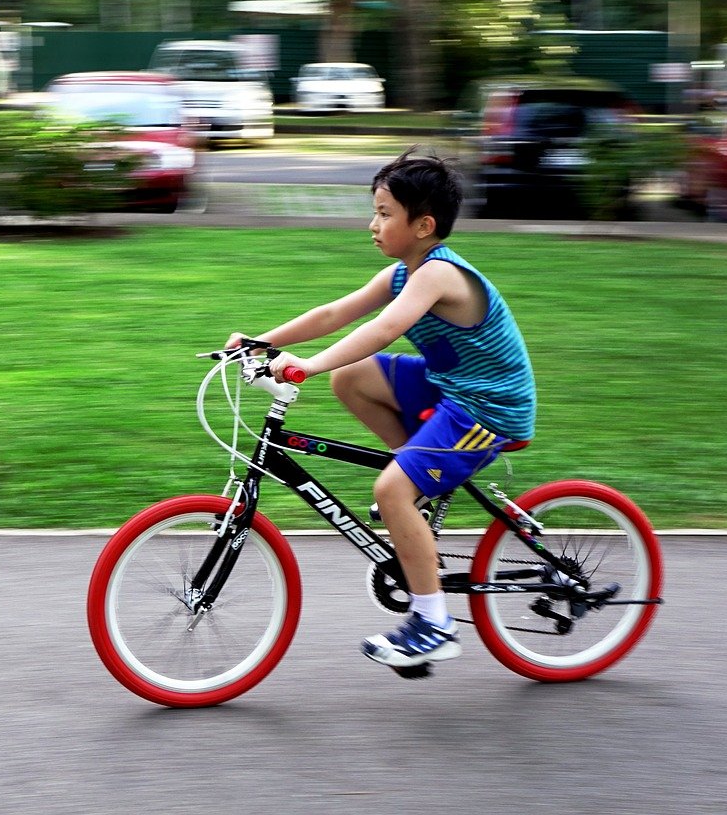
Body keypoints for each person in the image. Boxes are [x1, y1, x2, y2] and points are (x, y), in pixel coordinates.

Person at [226, 147, 535, 672]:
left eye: (385, 213)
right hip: (449, 387)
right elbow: (334, 313)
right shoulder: (401, 273)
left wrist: (307, 367)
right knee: (353, 379)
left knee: (389, 487)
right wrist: (259, 342)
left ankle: (434, 623)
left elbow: (383, 330)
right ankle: (414, 483)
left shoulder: (439, 275)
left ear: (423, 225)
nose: (372, 224)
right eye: (375, 211)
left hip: (489, 408)